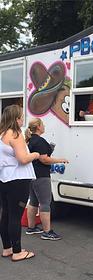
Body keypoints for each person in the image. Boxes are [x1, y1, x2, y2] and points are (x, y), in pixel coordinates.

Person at [0, 105, 39, 261]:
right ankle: (17, 252)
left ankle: (7, 248)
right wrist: (35, 154)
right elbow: (23, 159)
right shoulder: (15, 134)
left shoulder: (2, 133)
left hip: (4, 178)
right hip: (18, 180)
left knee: (6, 215)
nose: (23, 119)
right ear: (16, 119)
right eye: (22, 116)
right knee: (15, 216)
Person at [25, 118, 68, 241]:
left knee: (33, 201)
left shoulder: (30, 140)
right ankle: (47, 232)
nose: (44, 126)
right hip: (41, 176)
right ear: (38, 127)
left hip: (31, 175)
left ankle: (31, 228)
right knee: (45, 203)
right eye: (42, 124)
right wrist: (60, 160)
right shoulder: (40, 141)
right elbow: (44, 159)